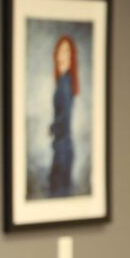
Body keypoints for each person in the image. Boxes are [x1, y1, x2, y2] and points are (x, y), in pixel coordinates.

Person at [48, 35, 79, 197]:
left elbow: (65, 115)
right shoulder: (64, 80)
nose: (62, 55)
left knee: (59, 192)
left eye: (66, 51)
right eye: (60, 51)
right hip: (62, 146)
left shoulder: (65, 82)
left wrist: (52, 127)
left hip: (62, 147)